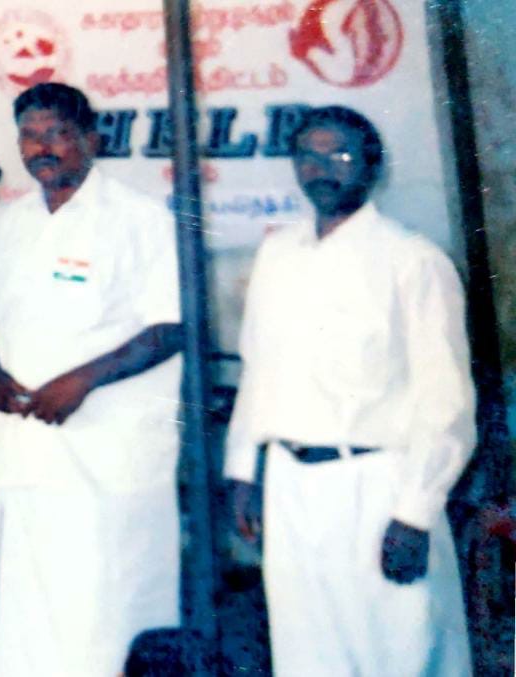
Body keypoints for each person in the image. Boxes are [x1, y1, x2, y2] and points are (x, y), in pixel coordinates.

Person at [225, 105, 474, 675]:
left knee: (402, 648)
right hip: (289, 488)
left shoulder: (412, 260)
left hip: (378, 487)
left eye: (339, 154)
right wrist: (243, 470)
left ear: (372, 165)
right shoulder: (277, 254)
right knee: (308, 655)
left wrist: (415, 512)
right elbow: (258, 368)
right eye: (307, 156)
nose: (321, 169)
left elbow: (447, 403)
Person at [0, 82, 183, 675]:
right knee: (26, 623)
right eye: (30, 136)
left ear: (91, 139)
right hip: (24, 458)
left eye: (57, 134)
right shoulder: (10, 222)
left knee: (100, 621)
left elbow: (170, 328)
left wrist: (83, 380)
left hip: (105, 463)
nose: (42, 148)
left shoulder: (139, 218)